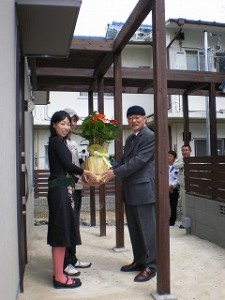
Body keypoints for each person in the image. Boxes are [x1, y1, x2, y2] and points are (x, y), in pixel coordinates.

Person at [101, 105, 156, 283]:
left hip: (144, 190)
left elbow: (138, 161)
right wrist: (108, 168)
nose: (133, 120)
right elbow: (124, 160)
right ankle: (140, 261)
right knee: (134, 229)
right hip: (130, 189)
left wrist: (115, 173)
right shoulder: (131, 138)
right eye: (130, 117)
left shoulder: (150, 136)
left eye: (137, 117)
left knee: (148, 230)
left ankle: (152, 266)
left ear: (145, 118)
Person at [47, 110, 97, 289]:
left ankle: (59, 272)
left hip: (63, 188)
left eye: (68, 124)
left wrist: (83, 180)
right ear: (54, 124)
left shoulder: (60, 142)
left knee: (63, 231)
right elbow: (68, 166)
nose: (66, 127)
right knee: (60, 232)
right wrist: (87, 172)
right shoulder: (55, 142)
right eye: (62, 123)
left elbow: (65, 171)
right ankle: (60, 277)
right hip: (59, 191)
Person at [63, 108, 91, 277]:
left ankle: (72, 258)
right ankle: (65, 262)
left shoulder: (72, 143)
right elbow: (67, 168)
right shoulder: (59, 143)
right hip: (66, 188)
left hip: (77, 188)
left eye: (73, 121)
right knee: (67, 224)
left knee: (74, 223)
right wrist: (84, 176)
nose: (72, 124)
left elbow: (79, 164)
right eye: (68, 121)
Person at [174, 144, 192, 229]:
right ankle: (184, 223)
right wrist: (185, 163)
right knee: (182, 205)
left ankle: (187, 223)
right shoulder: (180, 160)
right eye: (183, 150)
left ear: (190, 151)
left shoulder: (193, 160)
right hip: (182, 187)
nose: (184, 152)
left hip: (191, 187)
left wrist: (184, 163)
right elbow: (175, 165)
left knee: (188, 205)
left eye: (186, 150)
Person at [168, 150, 179, 226]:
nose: (168, 157)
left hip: (173, 189)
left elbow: (178, 179)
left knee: (173, 206)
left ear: (174, 158)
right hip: (164, 189)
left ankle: (172, 222)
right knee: (163, 205)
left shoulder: (177, 167)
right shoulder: (162, 166)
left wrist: (172, 186)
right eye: (167, 155)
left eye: (170, 156)